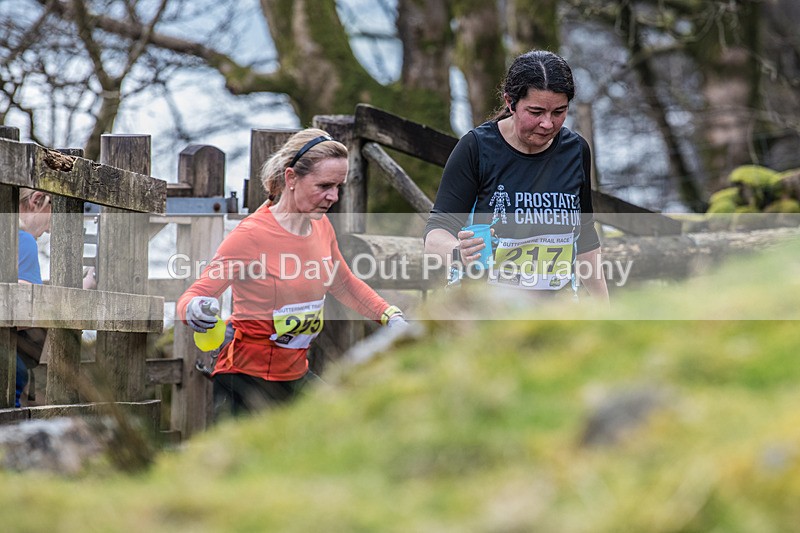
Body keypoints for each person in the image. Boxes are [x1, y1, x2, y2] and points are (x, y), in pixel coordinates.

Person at [177, 128, 406, 418]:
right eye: (324, 186)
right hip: (245, 381)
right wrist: (196, 309)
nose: (333, 196)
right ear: (291, 178)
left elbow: (344, 284)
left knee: (342, 428)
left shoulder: (321, 226)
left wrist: (390, 316)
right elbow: (194, 295)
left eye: (339, 187)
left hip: (296, 374)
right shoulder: (250, 235)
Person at [424, 50, 609, 303]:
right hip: (486, 310)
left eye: (559, 112)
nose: (547, 124)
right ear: (510, 102)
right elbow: (436, 233)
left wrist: (605, 311)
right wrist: (457, 252)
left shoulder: (576, 150)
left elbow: (586, 236)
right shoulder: (476, 148)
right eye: (536, 112)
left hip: (557, 309)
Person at [16, 188, 96, 407]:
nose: (51, 228)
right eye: (54, 209)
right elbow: (22, 315)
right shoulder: (23, 241)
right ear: (36, 200)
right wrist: (79, 295)